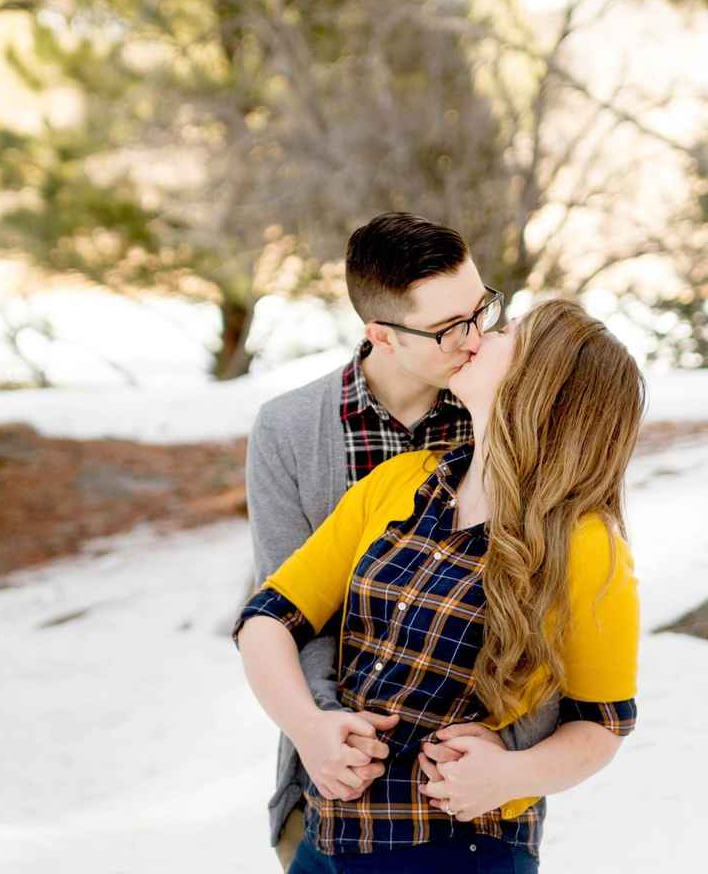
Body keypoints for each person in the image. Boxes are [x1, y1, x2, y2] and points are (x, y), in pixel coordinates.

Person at [235, 298, 644, 872]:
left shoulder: (586, 544)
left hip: (460, 850)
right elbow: (267, 618)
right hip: (325, 842)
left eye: (506, 333)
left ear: (539, 384)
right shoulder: (400, 481)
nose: (479, 336)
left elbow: (603, 723)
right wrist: (309, 728)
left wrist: (511, 774)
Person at [244, 212, 555, 869]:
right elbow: (287, 610)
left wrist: (514, 758)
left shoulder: (506, 411)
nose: (476, 339)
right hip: (328, 788)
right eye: (448, 329)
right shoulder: (290, 431)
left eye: (482, 310)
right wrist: (320, 732)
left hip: (472, 814)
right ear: (380, 335)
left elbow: (555, 611)